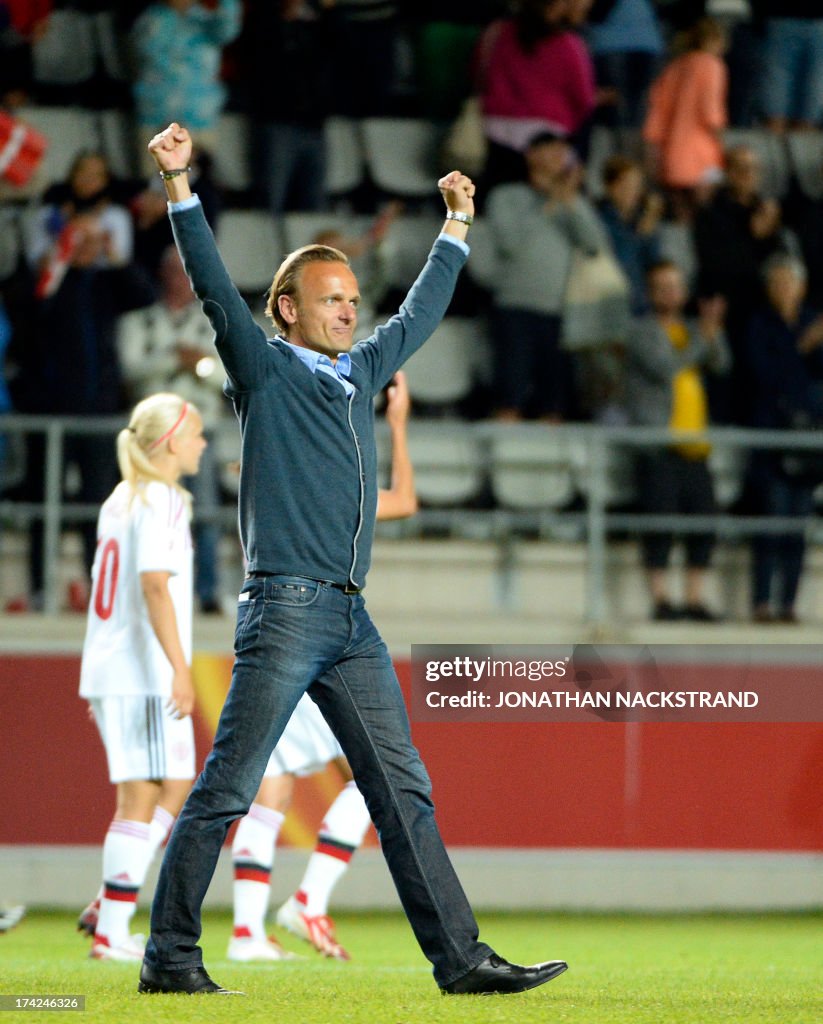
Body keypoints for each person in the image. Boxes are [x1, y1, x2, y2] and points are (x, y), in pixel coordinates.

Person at [138, 121, 567, 997]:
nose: (349, 309)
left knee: (402, 793)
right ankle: (170, 957)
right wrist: (181, 188)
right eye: (332, 298)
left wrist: (455, 226)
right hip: (287, 610)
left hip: (347, 617)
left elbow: (421, 314)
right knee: (226, 792)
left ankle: (461, 961)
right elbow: (218, 290)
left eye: (352, 298)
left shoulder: (362, 371)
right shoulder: (262, 366)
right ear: (289, 309)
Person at [228, 371, 416, 964]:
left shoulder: (276, 476)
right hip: (318, 637)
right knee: (373, 776)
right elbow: (405, 501)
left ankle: (247, 932)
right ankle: (306, 901)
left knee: (272, 790)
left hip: (275, 629)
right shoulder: (339, 489)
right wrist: (399, 426)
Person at [78, 393, 207, 960]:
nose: (203, 443)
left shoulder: (122, 499)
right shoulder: (162, 499)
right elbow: (155, 585)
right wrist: (181, 670)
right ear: (173, 440)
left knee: (173, 785)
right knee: (143, 795)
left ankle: (110, 904)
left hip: (115, 667)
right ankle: (112, 929)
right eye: (197, 433)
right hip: (144, 669)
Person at [117, 245, 229, 613]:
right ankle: (148, 587)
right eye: (174, 272)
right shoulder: (139, 321)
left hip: (198, 432)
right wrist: (173, 360)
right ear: (162, 276)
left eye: (186, 273)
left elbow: (227, 379)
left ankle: (206, 591)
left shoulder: (212, 323)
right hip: (156, 435)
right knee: (153, 512)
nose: (181, 280)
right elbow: (130, 372)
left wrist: (199, 367)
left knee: (204, 511)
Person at [470, 130, 604, 420]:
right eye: (551, 150)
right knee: (510, 395)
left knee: (553, 401)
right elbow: (511, 243)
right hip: (515, 307)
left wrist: (568, 203)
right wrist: (551, 204)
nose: (558, 158)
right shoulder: (506, 196)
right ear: (531, 154)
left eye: (562, 152)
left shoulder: (571, 200)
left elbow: (595, 244)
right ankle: (503, 460)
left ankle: (548, 463)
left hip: (560, 311)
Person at [624, 260, 730, 621]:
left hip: (695, 443)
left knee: (704, 520)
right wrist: (704, 335)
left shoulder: (692, 330)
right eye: (662, 286)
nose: (671, 292)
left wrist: (712, 333)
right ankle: (661, 599)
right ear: (650, 293)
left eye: (676, 285)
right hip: (659, 443)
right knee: (660, 520)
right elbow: (665, 367)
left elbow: (721, 365)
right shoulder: (640, 331)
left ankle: (695, 599)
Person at [744, 254, 823, 623]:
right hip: (772, 439)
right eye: (777, 282)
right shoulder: (759, 325)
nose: (783, 289)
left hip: (807, 441)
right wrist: (802, 347)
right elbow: (764, 376)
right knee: (771, 522)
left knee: (797, 526)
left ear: (802, 286)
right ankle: (762, 601)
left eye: (789, 282)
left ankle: (789, 603)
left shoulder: (813, 323)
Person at [642, 17, 728, 217]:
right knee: (705, 214)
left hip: (672, 153)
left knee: (680, 215)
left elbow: (656, 110)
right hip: (703, 155)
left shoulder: (674, 67)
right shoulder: (712, 65)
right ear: (712, 40)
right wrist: (723, 143)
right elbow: (711, 113)